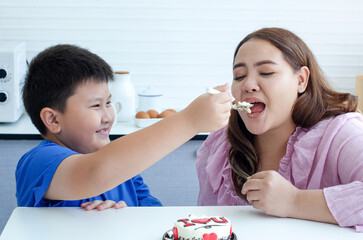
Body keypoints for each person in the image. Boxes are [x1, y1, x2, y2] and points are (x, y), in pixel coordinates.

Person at [16, 44, 233, 210]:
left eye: (108, 103)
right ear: (53, 120)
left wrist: (124, 215)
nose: (108, 115)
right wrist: (190, 120)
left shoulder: (124, 171)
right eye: (95, 105)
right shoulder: (37, 163)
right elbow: (94, 172)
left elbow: (152, 217)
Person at [196, 27, 363, 232]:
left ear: (301, 80)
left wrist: (295, 201)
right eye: (239, 76)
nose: (248, 85)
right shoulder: (218, 146)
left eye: (266, 72)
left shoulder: (341, 134)